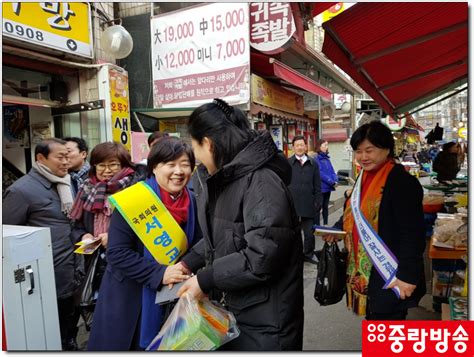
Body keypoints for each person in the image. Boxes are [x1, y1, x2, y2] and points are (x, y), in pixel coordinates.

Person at [177, 99, 304, 350]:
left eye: (195, 147)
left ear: (209, 143)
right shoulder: (226, 179)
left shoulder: (261, 182)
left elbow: (263, 254)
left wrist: (206, 279)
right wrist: (188, 262)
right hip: (237, 312)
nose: (196, 158)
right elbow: (225, 235)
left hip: (265, 323)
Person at [87, 137, 201, 351]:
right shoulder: (134, 200)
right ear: (154, 167)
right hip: (129, 298)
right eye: (171, 164)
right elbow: (117, 253)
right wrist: (160, 273)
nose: (179, 171)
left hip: (175, 294)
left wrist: (183, 266)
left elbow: (201, 243)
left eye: (185, 165)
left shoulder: (194, 200)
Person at [323, 121, 426, 320]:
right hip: (365, 274)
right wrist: (337, 230)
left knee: (387, 331)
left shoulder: (401, 182)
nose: (363, 157)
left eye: (369, 150)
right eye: (358, 151)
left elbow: (413, 234)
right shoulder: (363, 177)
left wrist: (407, 276)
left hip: (391, 274)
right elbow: (353, 213)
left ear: (386, 148)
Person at [3, 138, 84, 350]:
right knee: (50, 328)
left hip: (72, 268)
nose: (66, 161)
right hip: (44, 275)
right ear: (41, 158)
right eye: (60, 157)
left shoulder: (69, 182)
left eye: (68, 156)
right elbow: (8, 233)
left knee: (69, 322)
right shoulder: (21, 191)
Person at [69, 142, 139, 336]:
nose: (106, 170)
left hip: (127, 264)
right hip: (95, 263)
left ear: (123, 165)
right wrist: (84, 236)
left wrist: (115, 238)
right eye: (101, 165)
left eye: (113, 164)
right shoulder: (86, 188)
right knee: (100, 315)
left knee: (125, 316)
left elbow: (145, 230)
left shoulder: (136, 189)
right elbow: (75, 226)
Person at [288, 135, 322, 264]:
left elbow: (318, 185)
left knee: (309, 233)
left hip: (309, 203)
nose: (300, 148)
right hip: (292, 204)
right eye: (297, 145)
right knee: (293, 233)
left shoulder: (313, 164)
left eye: (302, 145)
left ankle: (308, 254)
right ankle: (294, 255)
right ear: (293, 147)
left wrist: (318, 202)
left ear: (306, 146)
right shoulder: (288, 163)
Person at [315, 139, 338, 225]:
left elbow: (332, 171)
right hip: (321, 187)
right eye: (324, 145)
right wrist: (330, 181)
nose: (326, 147)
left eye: (327, 145)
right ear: (319, 147)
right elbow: (320, 173)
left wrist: (335, 180)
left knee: (326, 206)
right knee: (318, 207)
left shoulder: (327, 159)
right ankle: (317, 226)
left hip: (328, 187)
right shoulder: (316, 158)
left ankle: (326, 224)